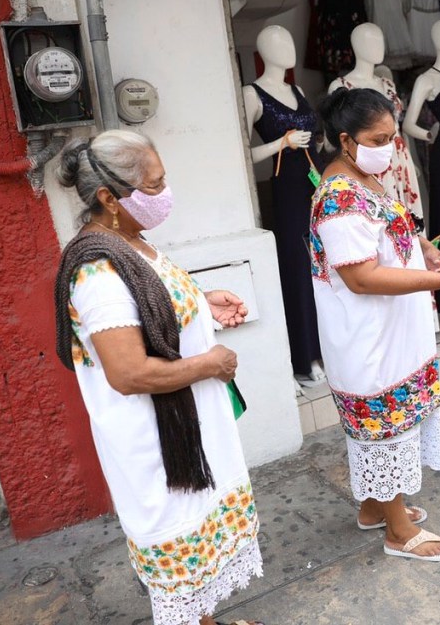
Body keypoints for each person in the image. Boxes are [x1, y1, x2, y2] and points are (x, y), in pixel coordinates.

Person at [53, 130, 264, 625]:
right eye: (154, 185)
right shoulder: (98, 273)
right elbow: (128, 372)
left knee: (202, 537)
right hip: (157, 442)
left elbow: (152, 307)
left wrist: (200, 305)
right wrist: (210, 363)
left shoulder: (129, 241)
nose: (165, 193)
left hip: (186, 427)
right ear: (109, 198)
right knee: (181, 543)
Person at [310, 88, 440, 562]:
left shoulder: (363, 178)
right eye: (378, 139)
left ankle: (374, 507)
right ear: (345, 140)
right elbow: (360, 277)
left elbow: (394, 224)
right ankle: (398, 532)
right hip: (369, 336)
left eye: (392, 136)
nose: (389, 147)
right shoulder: (337, 198)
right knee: (384, 428)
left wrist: (424, 247)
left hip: (393, 330)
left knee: (394, 422)